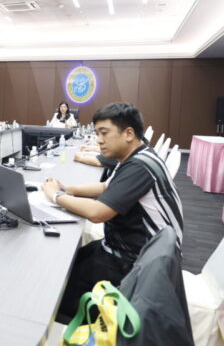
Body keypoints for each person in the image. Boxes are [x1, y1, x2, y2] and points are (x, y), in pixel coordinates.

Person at [41, 102, 184, 322]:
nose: (99, 140)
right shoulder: (136, 156)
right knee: (63, 266)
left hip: (138, 267)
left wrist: (55, 196)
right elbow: (105, 187)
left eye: (104, 133)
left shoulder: (139, 167)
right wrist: (69, 189)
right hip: (123, 249)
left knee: (54, 293)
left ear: (129, 134)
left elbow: (98, 213)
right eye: (97, 133)